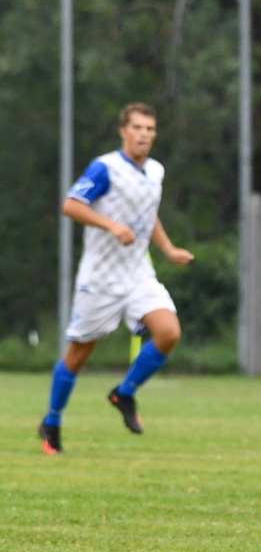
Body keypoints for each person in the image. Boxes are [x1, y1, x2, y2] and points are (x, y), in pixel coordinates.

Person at [38, 103, 194, 455]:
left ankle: (124, 393)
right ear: (123, 131)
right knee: (78, 356)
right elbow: (71, 204)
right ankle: (52, 421)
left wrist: (168, 249)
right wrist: (110, 225)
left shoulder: (155, 171)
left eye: (150, 129)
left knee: (168, 332)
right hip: (101, 279)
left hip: (138, 273)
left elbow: (149, 214)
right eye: (137, 127)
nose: (144, 135)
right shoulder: (105, 167)